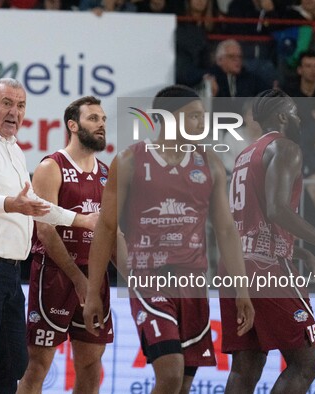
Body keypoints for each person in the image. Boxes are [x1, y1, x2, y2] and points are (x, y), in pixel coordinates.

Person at [83, 85, 255, 394]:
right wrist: (94, 292)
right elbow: (106, 229)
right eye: (194, 117)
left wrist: (242, 290)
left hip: (194, 285)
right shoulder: (131, 161)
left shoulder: (210, 163)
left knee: (183, 385)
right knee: (172, 374)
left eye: (203, 117)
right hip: (151, 280)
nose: (202, 124)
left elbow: (226, 230)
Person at [0, 78, 98, 394]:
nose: (15, 112)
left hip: (7, 271)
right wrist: (11, 203)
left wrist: (80, 220)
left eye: (21, 105)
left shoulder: (12, 148)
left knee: (11, 365)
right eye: (6, 103)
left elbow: (34, 205)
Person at [219, 89, 315, 394]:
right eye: (295, 112)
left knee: (245, 366)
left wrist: (300, 253)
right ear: (281, 117)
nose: (300, 118)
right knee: (306, 363)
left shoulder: (245, 155)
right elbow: (277, 210)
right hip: (266, 269)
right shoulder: (285, 147)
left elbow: (253, 222)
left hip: (236, 266)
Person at [16, 96, 113, 394]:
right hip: (56, 274)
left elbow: (111, 232)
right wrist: (77, 278)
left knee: (90, 364)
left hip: (94, 275)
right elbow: (44, 231)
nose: (101, 125)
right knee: (38, 365)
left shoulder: (107, 173)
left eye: (103, 119)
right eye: (93, 119)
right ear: (73, 125)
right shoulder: (51, 166)